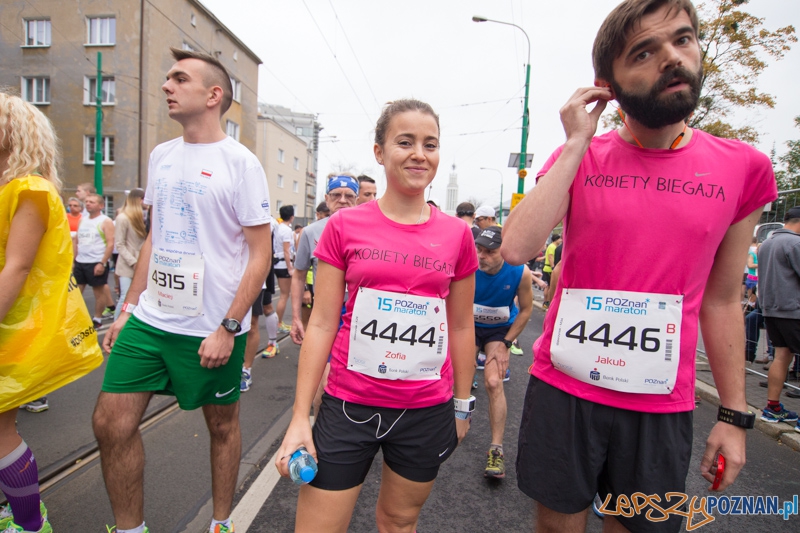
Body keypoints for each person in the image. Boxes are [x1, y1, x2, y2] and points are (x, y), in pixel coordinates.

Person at [501, 2, 777, 532]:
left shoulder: (745, 167)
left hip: (658, 405)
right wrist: (578, 140)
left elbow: (723, 300)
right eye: (644, 52)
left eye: (683, 40)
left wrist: (735, 417)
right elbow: (516, 248)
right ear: (608, 84)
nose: (672, 58)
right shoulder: (581, 155)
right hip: (566, 391)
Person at [91, 47, 271, 533]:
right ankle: (130, 529)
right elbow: (156, 236)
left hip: (211, 328)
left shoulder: (241, 163)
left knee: (221, 426)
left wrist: (229, 327)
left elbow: (259, 255)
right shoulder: (161, 155)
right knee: (111, 423)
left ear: (213, 95)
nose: (167, 86)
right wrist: (127, 307)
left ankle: (221, 523)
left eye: (179, 78)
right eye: (168, 77)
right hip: (151, 319)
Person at [276, 99, 477, 532]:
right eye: (405, 142)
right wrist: (299, 417)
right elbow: (323, 324)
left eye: (430, 144)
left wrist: (462, 406)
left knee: (399, 522)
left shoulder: (458, 234)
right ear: (380, 152)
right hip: (350, 404)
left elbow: (461, 325)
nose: (419, 153)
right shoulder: (343, 228)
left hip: (426, 411)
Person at [1, 90, 103, 533]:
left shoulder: (31, 189)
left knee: (1, 430)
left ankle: (27, 521)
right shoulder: (11, 188)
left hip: (14, 326)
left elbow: (17, 267)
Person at [473, 226, 533, 479]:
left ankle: (496, 449)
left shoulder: (521, 272)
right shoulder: (468, 265)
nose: (482, 256)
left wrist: (508, 343)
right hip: (469, 326)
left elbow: (528, 309)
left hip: (499, 331)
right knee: (458, 379)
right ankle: (448, 431)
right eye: (479, 249)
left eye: (490, 252)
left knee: (494, 382)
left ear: (504, 251)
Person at [758, 207, 800, 424]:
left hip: (771, 309)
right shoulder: (795, 243)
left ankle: (772, 407)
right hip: (793, 310)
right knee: (784, 355)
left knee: (782, 355)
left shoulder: (766, 243)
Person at [73, 193, 115, 329]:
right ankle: (76, 318)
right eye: (87, 201)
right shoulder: (82, 220)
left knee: (99, 292)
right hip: (81, 261)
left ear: (101, 206)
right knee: (76, 292)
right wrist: (74, 259)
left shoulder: (105, 221)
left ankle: (97, 318)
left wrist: (102, 263)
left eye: (92, 202)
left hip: (96, 261)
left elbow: (110, 243)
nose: (88, 204)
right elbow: (77, 241)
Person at [113, 189, 147, 321]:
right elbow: (119, 244)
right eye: (144, 199)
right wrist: (133, 262)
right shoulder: (123, 217)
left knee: (139, 299)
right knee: (125, 298)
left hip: (140, 262)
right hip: (127, 265)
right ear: (138, 200)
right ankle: (116, 325)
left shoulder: (142, 217)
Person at [274, 205, 295, 333]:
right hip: (283, 265)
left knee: (284, 295)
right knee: (284, 295)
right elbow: (287, 251)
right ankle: (278, 324)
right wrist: (290, 268)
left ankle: (278, 323)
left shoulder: (278, 228)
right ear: (291, 217)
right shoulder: (286, 230)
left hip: (278, 263)